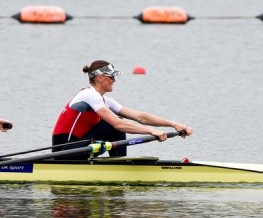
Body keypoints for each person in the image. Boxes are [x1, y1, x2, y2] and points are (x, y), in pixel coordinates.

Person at [52, 60, 193, 160]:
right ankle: (119, 164)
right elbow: (118, 125)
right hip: (64, 151)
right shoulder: (89, 94)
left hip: (80, 147)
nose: (114, 80)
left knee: (116, 122)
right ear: (100, 78)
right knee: (114, 124)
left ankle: (118, 162)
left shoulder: (104, 100)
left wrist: (174, 124)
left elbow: (140, 117)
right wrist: (152, 131)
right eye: (111, 77)